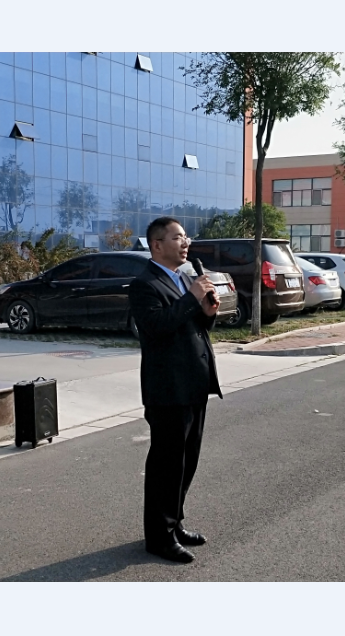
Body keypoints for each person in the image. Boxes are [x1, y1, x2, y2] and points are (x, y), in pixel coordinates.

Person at [128, 216, 221, 563]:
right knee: (166, 465)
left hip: (194, 383)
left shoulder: (183, 278)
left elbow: (190, 326)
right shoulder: (144, 284)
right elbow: (156, 327)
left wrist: (207, 311)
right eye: (178, 237)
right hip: (168, 389)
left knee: (187, 461)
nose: (186, 243)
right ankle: (159, 537)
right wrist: (191, 298)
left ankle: (175, 523)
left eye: (186, 237)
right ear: (157, 245)